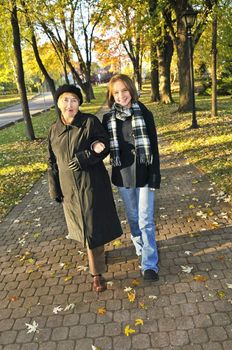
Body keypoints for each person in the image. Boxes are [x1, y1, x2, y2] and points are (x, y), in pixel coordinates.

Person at [47, 84, 122, 292]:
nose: (69, 104)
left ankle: (96, 274)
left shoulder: (89, 122)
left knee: (91, 226)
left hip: (91, 184)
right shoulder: (54, 130)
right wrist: (54, 187)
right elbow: (51, 161)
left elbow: (104, 144)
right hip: (69, 189)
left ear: (79, 103)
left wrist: (85, 157)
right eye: (65, 100)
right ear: (58, 103)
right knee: (82, 228)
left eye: (73, 100)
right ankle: (97, 258)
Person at [102, 74, 161, 281]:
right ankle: (140, 246)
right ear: (111, 95)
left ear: (131, 90)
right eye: (116, 92)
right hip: (124, 176)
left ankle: (149, 264)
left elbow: (153, 146)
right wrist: (94, 147)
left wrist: (155, 178)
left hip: (144, 173)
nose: (121, 95)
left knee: (145, 220)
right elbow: (102, 146)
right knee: (134, 219)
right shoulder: (108, 119)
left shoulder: (144, 113)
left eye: (124, 90)